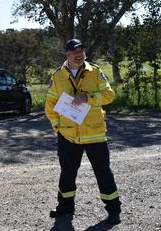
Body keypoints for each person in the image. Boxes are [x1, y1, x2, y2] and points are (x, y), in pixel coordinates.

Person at [44, 39, 121, 224]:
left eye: (81, 51)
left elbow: (110, 95)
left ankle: (114, 210)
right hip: (68, 135)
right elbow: (50, 105)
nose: (79, 54)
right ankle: (65, 207)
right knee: (67, 173)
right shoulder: (58, 76)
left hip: (95, 134)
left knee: (103, 173)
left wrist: (89, 98)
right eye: (74, 51)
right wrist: (58, 127)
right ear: (67, 55)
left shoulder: (95, 71)